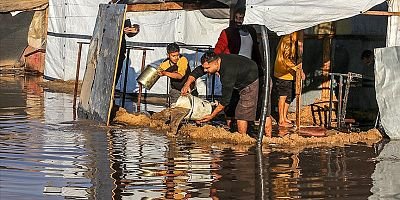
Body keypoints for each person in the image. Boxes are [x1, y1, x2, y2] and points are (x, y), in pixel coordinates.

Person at [186, 51, 259, 134]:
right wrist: (187, 84)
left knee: (241, 113)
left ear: (216, 63)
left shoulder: (227, 74)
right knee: (230, 108)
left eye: (207, 68)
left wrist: (211, 116)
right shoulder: (216, 59)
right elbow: (198, 70)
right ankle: (230, 129)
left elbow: (224, 100)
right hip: (239, 77)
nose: (205, 70)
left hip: (252, 80)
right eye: (204, 68)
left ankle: (242, 139)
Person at [274, 31, 305, 128]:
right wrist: (298, 70)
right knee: (283, 96)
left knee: (288, 96)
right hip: (283, 73)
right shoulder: (288, 40)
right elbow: (286, 59)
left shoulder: (292, 39)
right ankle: (281, 119)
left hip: (289, 73)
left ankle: (284, 116)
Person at [115, 19, 140, 86]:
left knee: (115, 75)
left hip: (119, 51)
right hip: (108, 48)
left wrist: (134, 29)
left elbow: (130, 32)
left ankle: (112, 90)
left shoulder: (126, 18)